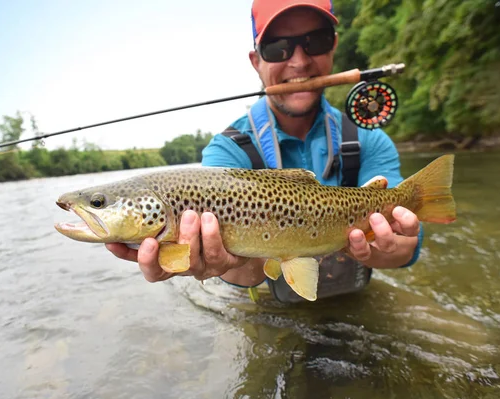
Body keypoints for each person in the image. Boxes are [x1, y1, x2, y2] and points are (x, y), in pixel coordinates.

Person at [106, 0, 423, 303]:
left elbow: (407, 248)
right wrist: (224, 264)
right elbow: (234, 273)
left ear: (334, 45)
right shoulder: (227, 151)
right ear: (256, 61)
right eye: (278, 48)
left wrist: (389, 244)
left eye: (315, 41)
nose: (299, 61)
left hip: (355, 300)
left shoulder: (369, 140)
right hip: (266, 309)